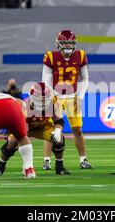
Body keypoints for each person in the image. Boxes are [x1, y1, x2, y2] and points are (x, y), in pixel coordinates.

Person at [0, 82, 70, 176]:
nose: (42, 102)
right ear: (32, 97)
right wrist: (27, 164)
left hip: (43, 128)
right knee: (11, 142)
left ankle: (60, 167)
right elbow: (23, 133)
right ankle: (1, 165)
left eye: (45, 99)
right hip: (23, 128)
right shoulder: (25, 107)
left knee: (59, 138)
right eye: (39, 99)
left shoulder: (53, 102)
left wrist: (57, 131)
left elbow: (59, 121)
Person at [42, 30, 92, 170]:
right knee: (52, 130)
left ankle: (83, 159)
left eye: (70, 42)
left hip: (72, 96)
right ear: (59, 43)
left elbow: (85, 78)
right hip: (56, 96)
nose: (68, 45)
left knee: (77, 129)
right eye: (65, 42)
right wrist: (52, 98)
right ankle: (47, 160)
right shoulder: (51, 56)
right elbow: (46, 79)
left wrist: (80, 97)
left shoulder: (80, 55)